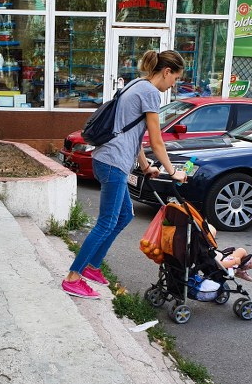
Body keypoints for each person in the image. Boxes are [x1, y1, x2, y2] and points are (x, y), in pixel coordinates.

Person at [61, 49, 188, 299]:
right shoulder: (150, 93)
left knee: (124, 216)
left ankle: (92, 266)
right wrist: (174, 172)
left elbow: (133, 134)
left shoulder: (137, 84)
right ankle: (73, 277)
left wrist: (144, 166)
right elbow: (156, 140)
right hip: (113, 163)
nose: (174, 84)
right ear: (166, 72)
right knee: (106, 222)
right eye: (175, 78)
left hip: (110, 159)